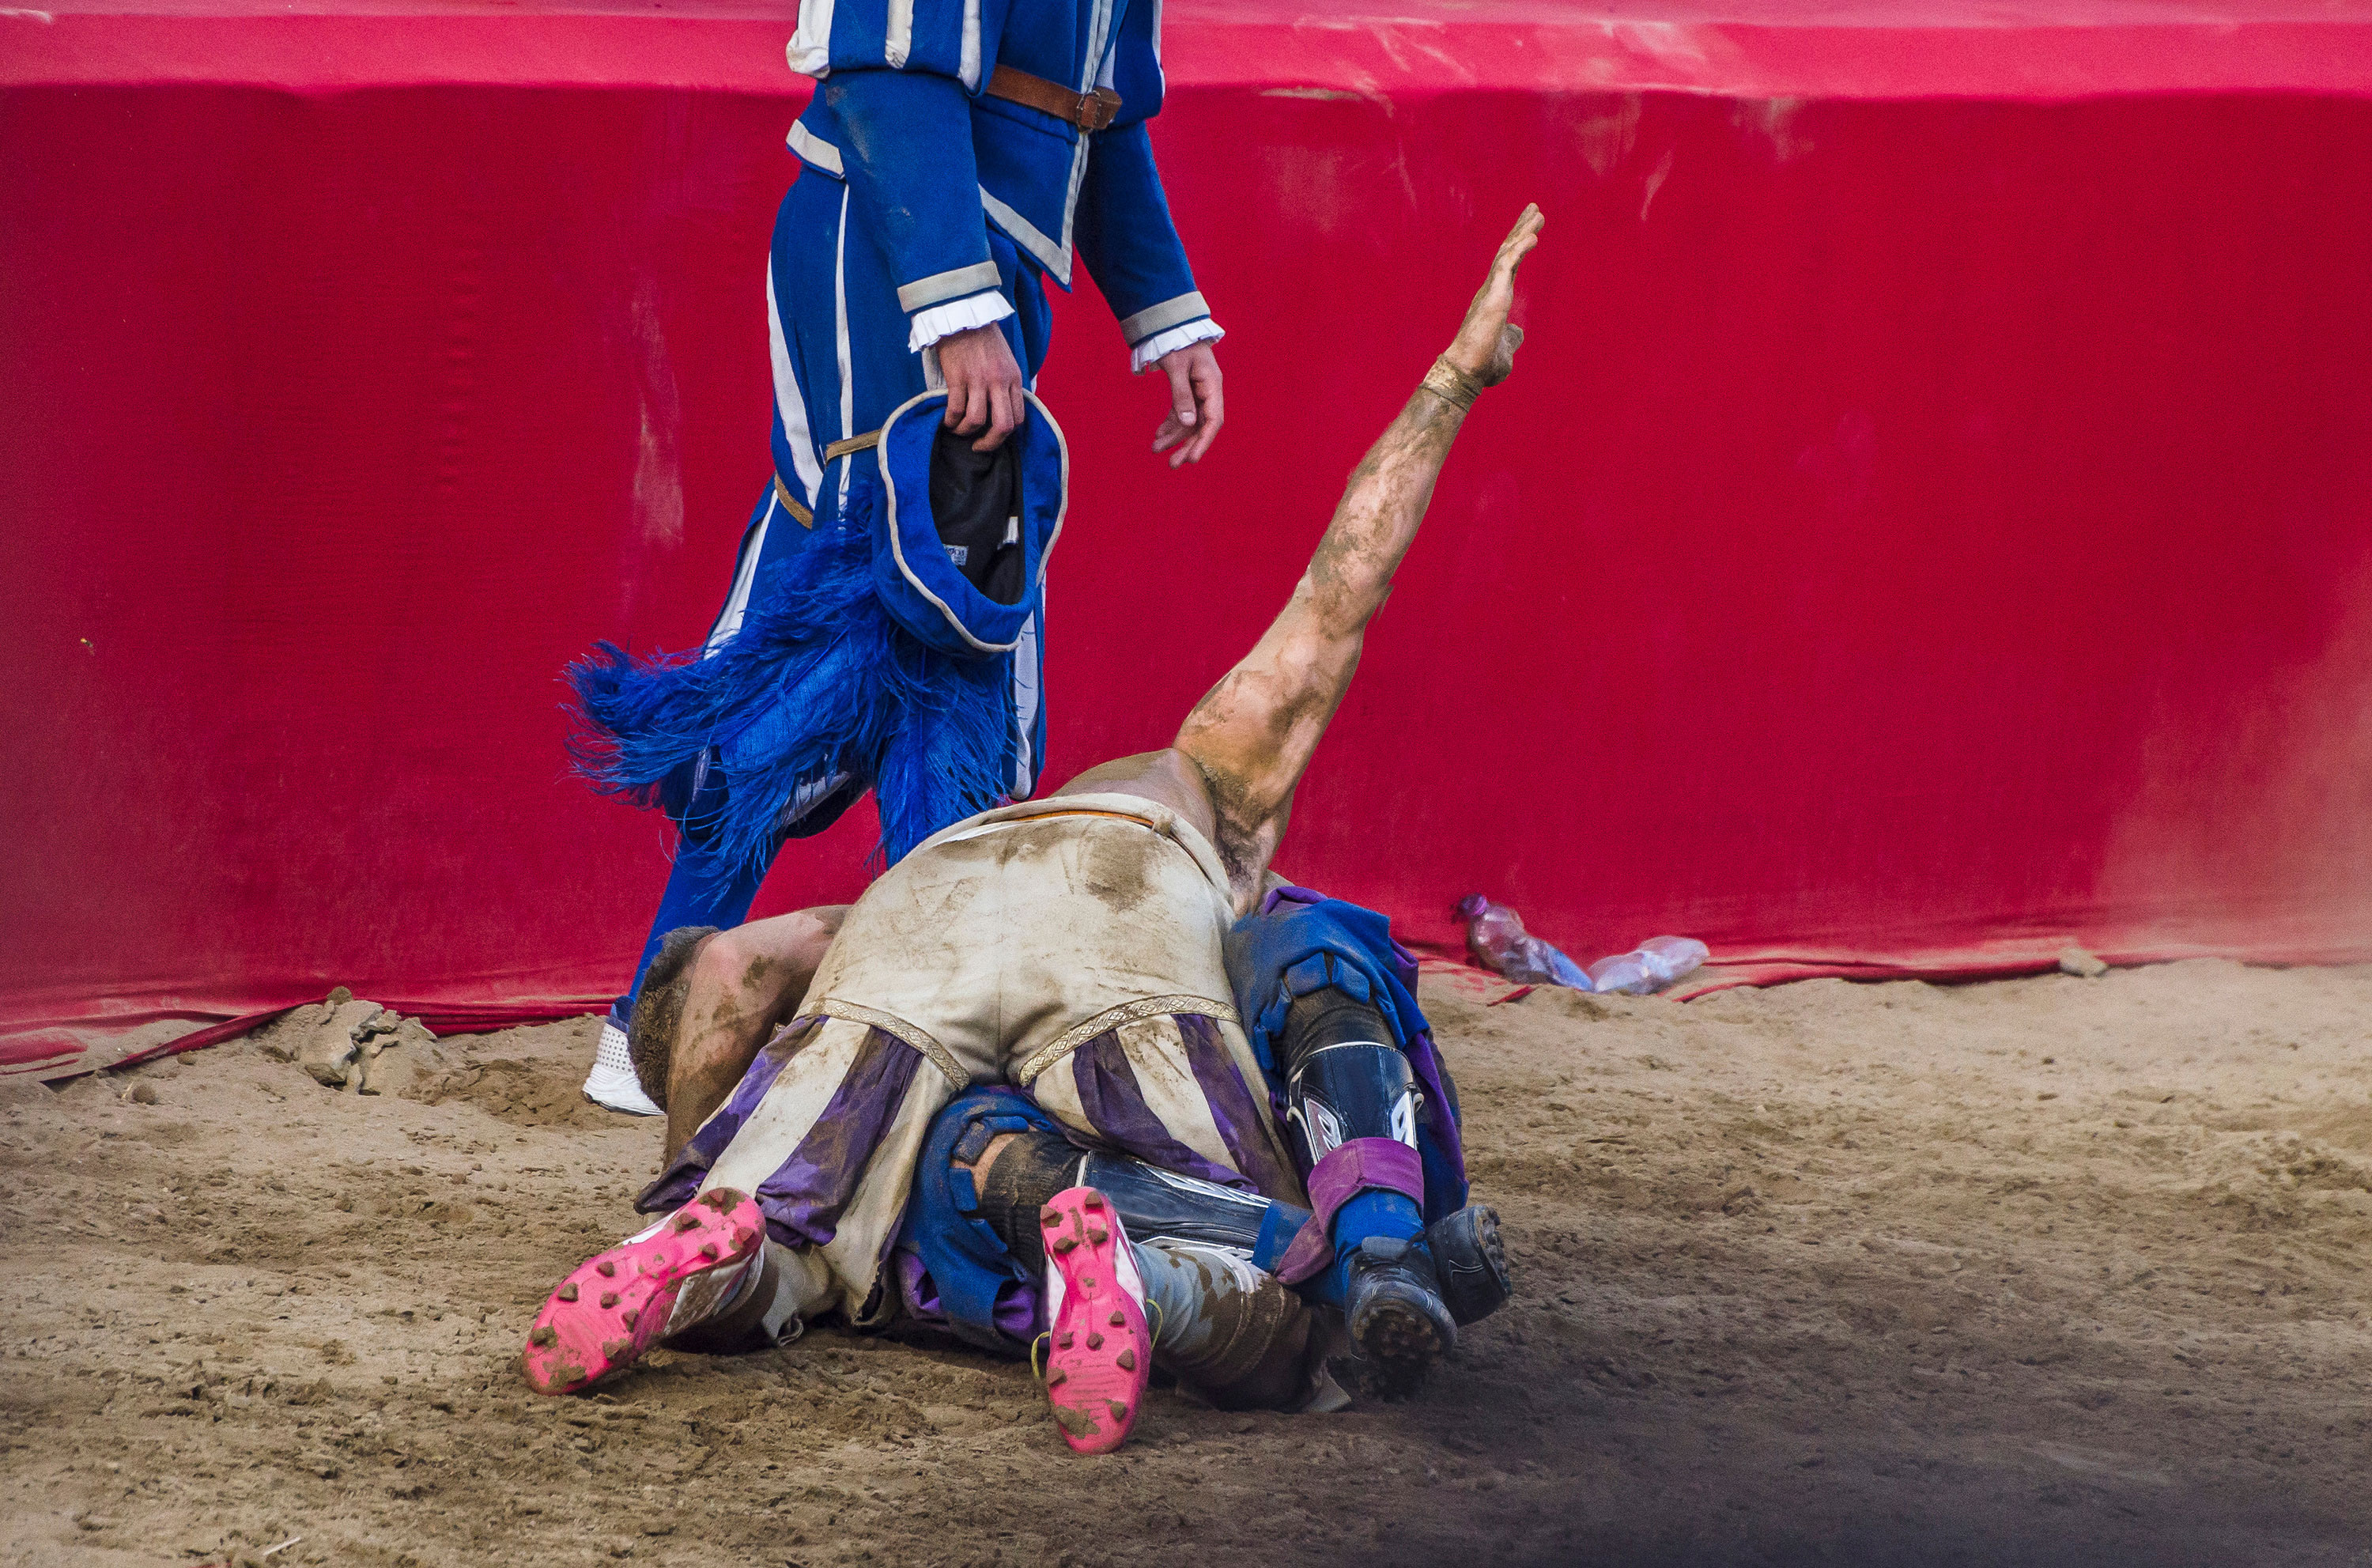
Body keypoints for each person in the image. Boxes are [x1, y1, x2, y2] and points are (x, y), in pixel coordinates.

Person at [525, 206, 1546, 1451]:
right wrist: (1455, 380)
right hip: (1121, 915)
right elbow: (1342, 588)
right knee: (1292, 1314)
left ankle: (713, 1250)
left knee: (838, 1222)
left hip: (912, 920)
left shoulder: (972, 843)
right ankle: (1168, 1275)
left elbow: (735, 966)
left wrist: (712, 1158)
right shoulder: (1207, 778)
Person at [579, 0, 1230, 1116]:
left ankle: (921, 1011)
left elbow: (1099, 106)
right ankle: (661, 1018)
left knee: (944, 623)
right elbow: (887, 66)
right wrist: (953, 302)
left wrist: (1166, 316)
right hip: (890, 244)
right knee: (873, 623)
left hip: (981, 259)